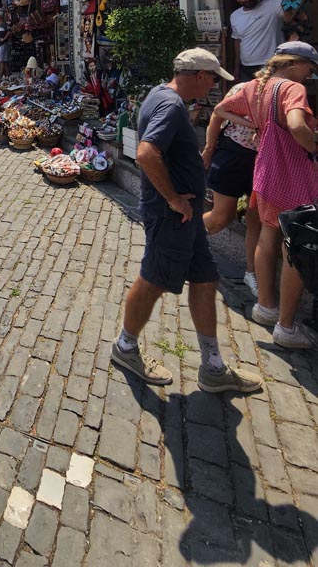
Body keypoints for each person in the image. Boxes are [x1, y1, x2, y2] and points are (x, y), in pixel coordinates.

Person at [111, 48, 263, 394]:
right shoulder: (170, 104)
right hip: (172, 214)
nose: (213, 86)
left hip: (185, 215)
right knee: (152, 280)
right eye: (212, 79)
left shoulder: (159, 96)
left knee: (206, 279)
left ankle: (212, 365)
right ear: (197, 76)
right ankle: (125, 347)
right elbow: (146, 153)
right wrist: (173, 198)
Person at [214, 40, 318, 348]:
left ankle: (266, 307)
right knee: (298, 243)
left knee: (269, 235)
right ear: (294, 63)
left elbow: (221, 109)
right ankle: (286, 327)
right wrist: (313, 144)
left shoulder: (256, 87)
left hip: (266, 169)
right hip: (292, 172)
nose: (309, 76)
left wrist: (258, 124)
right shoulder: (291, 88)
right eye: (309, 70)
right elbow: (297, 125)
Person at [201, 84, 261, 297]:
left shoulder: (289, 94)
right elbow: (217, 115)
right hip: (234, 153)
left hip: (263, 160)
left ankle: (251, 272)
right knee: (222, 216)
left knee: (256, 218)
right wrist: (209, 149)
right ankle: (183, 238)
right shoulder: (246, 89)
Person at [230, 0, 284, 81]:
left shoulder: (271, 6)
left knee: (269, 95)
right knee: (249, 96)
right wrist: (236, 67)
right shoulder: (234, 16)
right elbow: (238, 42)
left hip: (270, 64)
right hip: (246, 68)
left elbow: (294, 2)